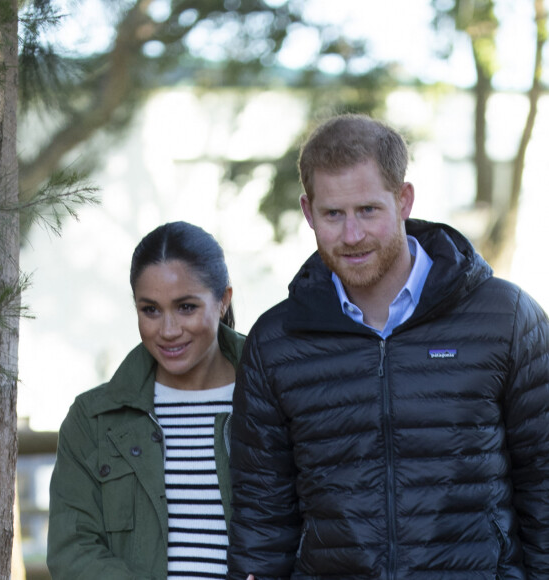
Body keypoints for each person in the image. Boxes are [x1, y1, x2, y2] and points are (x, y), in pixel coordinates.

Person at [227, 114, 549, 579]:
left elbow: (542, 483)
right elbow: (262, 517)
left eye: (368, 210)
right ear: (307, 211)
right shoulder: (277, 343)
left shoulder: (507, 318)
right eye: (333, 214)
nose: (351, 235)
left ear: (403, 199)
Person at [47, 221, 245, 580]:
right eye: (150, 310)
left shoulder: (276, 399)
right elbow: (72, 551)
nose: (168, 330)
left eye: (186, 307)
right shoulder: (92, 420)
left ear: (223, 301)